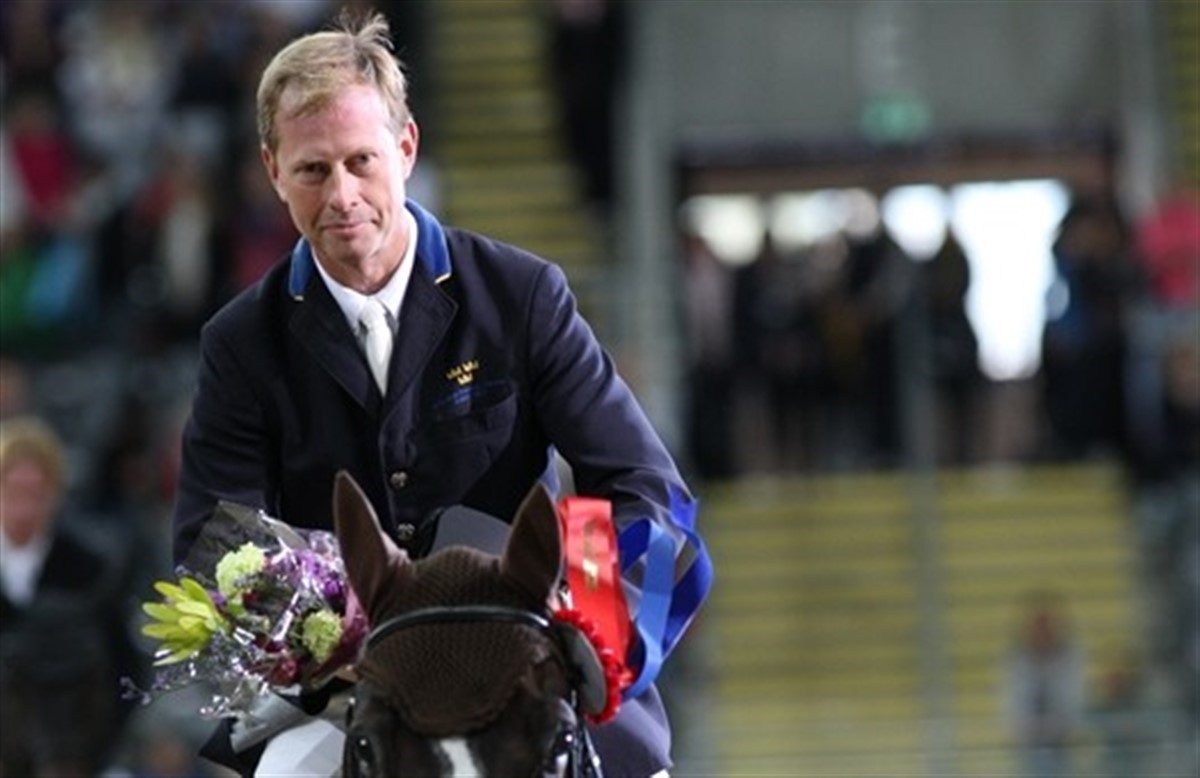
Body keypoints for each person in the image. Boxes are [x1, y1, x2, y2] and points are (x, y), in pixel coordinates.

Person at [170, 11, 707, 778]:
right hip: (352, 683)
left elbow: (646, 490)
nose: (342, 195)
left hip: (524, 653)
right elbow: (214, 541)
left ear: (407, 148)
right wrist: (328, 632)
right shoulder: (239, 343)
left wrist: (592, 629)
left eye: (361, 161)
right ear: (272, 171)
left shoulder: (523, 294)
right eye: (313, 170)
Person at [0, 415, 145, 777]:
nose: (24, 507)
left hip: (72, 751)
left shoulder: (91, 570)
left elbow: (123, 664)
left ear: (55, 493)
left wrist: (101, 749)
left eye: (35, 493)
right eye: (13, 491)